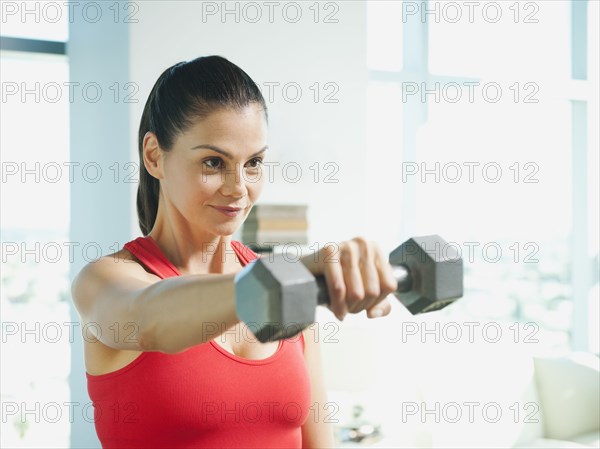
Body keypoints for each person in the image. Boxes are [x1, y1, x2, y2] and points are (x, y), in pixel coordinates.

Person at [71, 55, 397, 449]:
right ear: (155, 156)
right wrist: (291, 275)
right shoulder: (106, 280)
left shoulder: (283, 286)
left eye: (254, 163)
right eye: (214, 162)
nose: (238, 188)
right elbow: (150, 320)